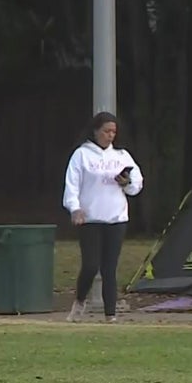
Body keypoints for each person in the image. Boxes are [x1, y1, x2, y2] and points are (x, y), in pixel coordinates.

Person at [62, 111, 144, 323]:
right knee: (91, 265)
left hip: (116, 217)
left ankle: (110, 315)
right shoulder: (82, 154)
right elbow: (72, 184)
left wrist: (127, 183)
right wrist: (75, 208)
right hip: (90, 218)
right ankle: (80, 301)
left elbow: (136, 183)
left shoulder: (122, 156)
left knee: (109, 268)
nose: (110, 136)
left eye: (113, 132)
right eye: (106, 131)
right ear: (96, 131)